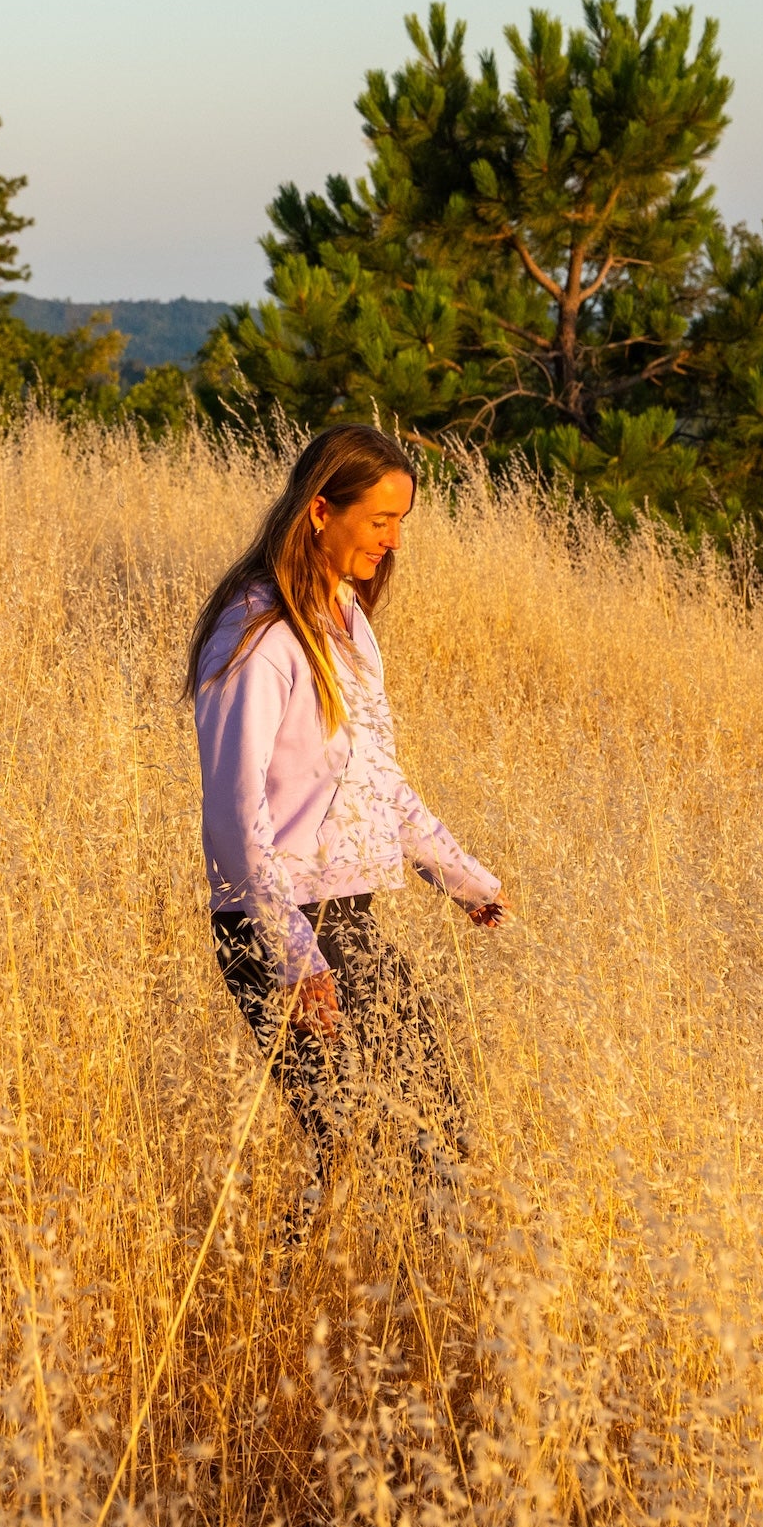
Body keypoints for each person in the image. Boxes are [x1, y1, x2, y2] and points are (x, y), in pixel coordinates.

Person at [187, 423, 504, 1160]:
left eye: (402, 522)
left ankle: (361, 1271)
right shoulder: (258, 634)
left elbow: (376, 778)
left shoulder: (347, 622)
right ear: (322, 512)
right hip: (275, 922)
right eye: (381, 521)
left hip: (344, 915)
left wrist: (462, 879)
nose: (394, 541)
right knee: (361, 1143)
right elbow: (236, 819)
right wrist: (296, 958)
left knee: (429, 1129)